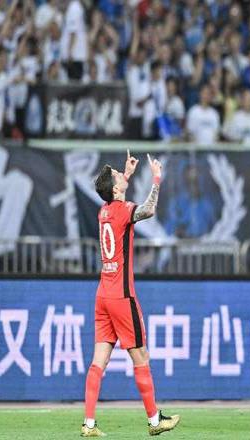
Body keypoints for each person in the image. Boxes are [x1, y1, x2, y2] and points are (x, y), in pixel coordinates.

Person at [82, 151, 180, 437]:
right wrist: (156, 179)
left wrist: (125, 175)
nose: (119, 174)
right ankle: (154, 421)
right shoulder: (123, 210)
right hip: (122, 297)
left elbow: (114, 199)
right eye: (117, 176)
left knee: (98, 362)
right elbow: (147, 210)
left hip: (103, 294)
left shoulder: (103, 212)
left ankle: (89, 424)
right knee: (141, 357)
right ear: (115, 190)